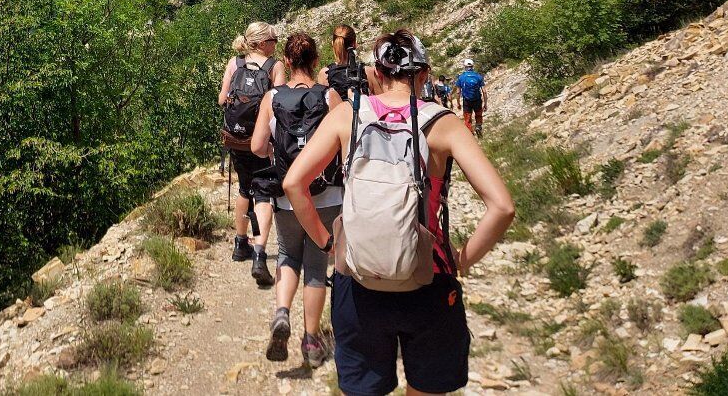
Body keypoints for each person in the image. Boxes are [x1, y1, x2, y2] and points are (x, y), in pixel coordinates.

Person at [284, 30, 515, 396]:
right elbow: (502, 206)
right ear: (423, 74)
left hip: (358, 278)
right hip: (429, 277)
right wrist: (461, 260)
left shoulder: (348, 115)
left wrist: (328, 243)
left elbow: (294, 183)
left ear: (377, 71)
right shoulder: (444, 123)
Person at [252, 32, 341, 368]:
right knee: (317, 266)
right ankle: (311, 341)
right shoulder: (330, 96)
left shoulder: (272, 98)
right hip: (328, 193)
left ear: (286, 62)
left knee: (289, 254)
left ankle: (281, 313)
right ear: (315, 61)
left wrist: (278, 150)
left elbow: (259, 146)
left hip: (289, 195)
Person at [219, 22, 286, 286]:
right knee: (264, 193)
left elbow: (222, 99)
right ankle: (260, 254)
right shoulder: (274, 67)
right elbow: (278, 107)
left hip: (234, 139)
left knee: (244, 189)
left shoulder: (235, 63)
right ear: (261, 42)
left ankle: (240, 244)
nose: (275, 43)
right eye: (273, 39)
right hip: (261, 142)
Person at [318, 24, 381, 96]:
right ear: (354, 44)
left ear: (333, 44)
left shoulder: (324, 74)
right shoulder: (368, 72)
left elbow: (323, 104)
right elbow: (380, 101)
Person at [455, 59, 488, 138]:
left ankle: (470, 135)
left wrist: (458, 103)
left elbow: (458, 92)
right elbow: (484, 91)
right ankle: (478, 127)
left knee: (467, 119)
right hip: (477, 100)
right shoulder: (478, 76)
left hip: (467, 101)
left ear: (465, 67)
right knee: (478, 115)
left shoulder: (461, 77)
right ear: (472, 66)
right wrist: (485, 103)